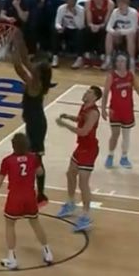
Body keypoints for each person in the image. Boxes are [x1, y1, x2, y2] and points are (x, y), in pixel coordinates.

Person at [0, 133, 53, 270]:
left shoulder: (7, 161)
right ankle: (48, 252)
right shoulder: (33, 158)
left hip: (15, 197)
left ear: (13, 146)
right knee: (35, 223)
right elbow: (40, 173)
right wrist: (35, 161)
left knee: (10, 224)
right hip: (30, 196)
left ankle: (12, 258)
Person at [10, 30, 51, 207]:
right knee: (35, 160)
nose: (32, 66)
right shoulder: (37, 81)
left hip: (36, 126)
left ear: (38, 74)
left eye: (35, 67)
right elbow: (26, 61)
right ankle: (39, 194)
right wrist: (20, 41)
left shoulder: (34, 84)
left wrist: (13, 48)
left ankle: (40, 195)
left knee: (36, 161)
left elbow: (19, 66)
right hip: (35, 123)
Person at [55, 86, 101, 233]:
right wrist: (69, 117)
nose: (86, 93)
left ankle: (86, 215)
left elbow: (84, 131)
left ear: (94, 97)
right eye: (86, 91)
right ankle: (70, 203)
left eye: (89, 92)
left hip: (89, 150)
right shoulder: (84, 106)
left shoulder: (94, 112)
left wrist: (65, 125)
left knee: (83, 183)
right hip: (81, 148)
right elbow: (81, 119)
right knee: (70, 174)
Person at [103, 55, 139, 169]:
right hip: (115, 110)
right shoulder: (112, 76)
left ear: (126, 63)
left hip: (128, 110)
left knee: (126, 135)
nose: (121, 63)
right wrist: (103, 109)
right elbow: (105, 93)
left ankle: (124, 158)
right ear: (116, 63)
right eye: (119, 61)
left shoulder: (130, 75)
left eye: (123, 61)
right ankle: (110, 155)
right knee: (115, 134)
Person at [104, 0, 138, 71]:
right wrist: (114, 32)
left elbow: (134, 29)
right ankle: (108, 59)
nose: (121, 5)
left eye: (123, 3)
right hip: (119, 35)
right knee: (109, 34)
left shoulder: (133, 12)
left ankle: (131, 61)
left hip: (130, 35)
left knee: (130, 35)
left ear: (127, 4)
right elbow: (108, 27)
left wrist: (121, 31)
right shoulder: (115, 12)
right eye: (119, 3)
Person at [54, 0, 86, 69]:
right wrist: (59, 28)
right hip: (65, 29)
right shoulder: (61, 8)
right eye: (69, 0)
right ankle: (55, 56)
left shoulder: (81, 10)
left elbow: (80, 26)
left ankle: (79, 58)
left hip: (76, 30)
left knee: (80, 33)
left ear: (76, 1)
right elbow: (57, 22)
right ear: (66, 0)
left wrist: (75, 15)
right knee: (55, 32)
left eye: (73, 0)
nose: (71, 2)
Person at [83, 0, 113, 66]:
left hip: (104, 25)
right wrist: (92, 25)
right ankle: (87, 54)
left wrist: (99, 26)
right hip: (93, 24)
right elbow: (89, 21)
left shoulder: (110, 3)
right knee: (87, 30)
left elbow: (107, 22)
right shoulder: (88, 3)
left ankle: (102, 54)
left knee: (104, 31)